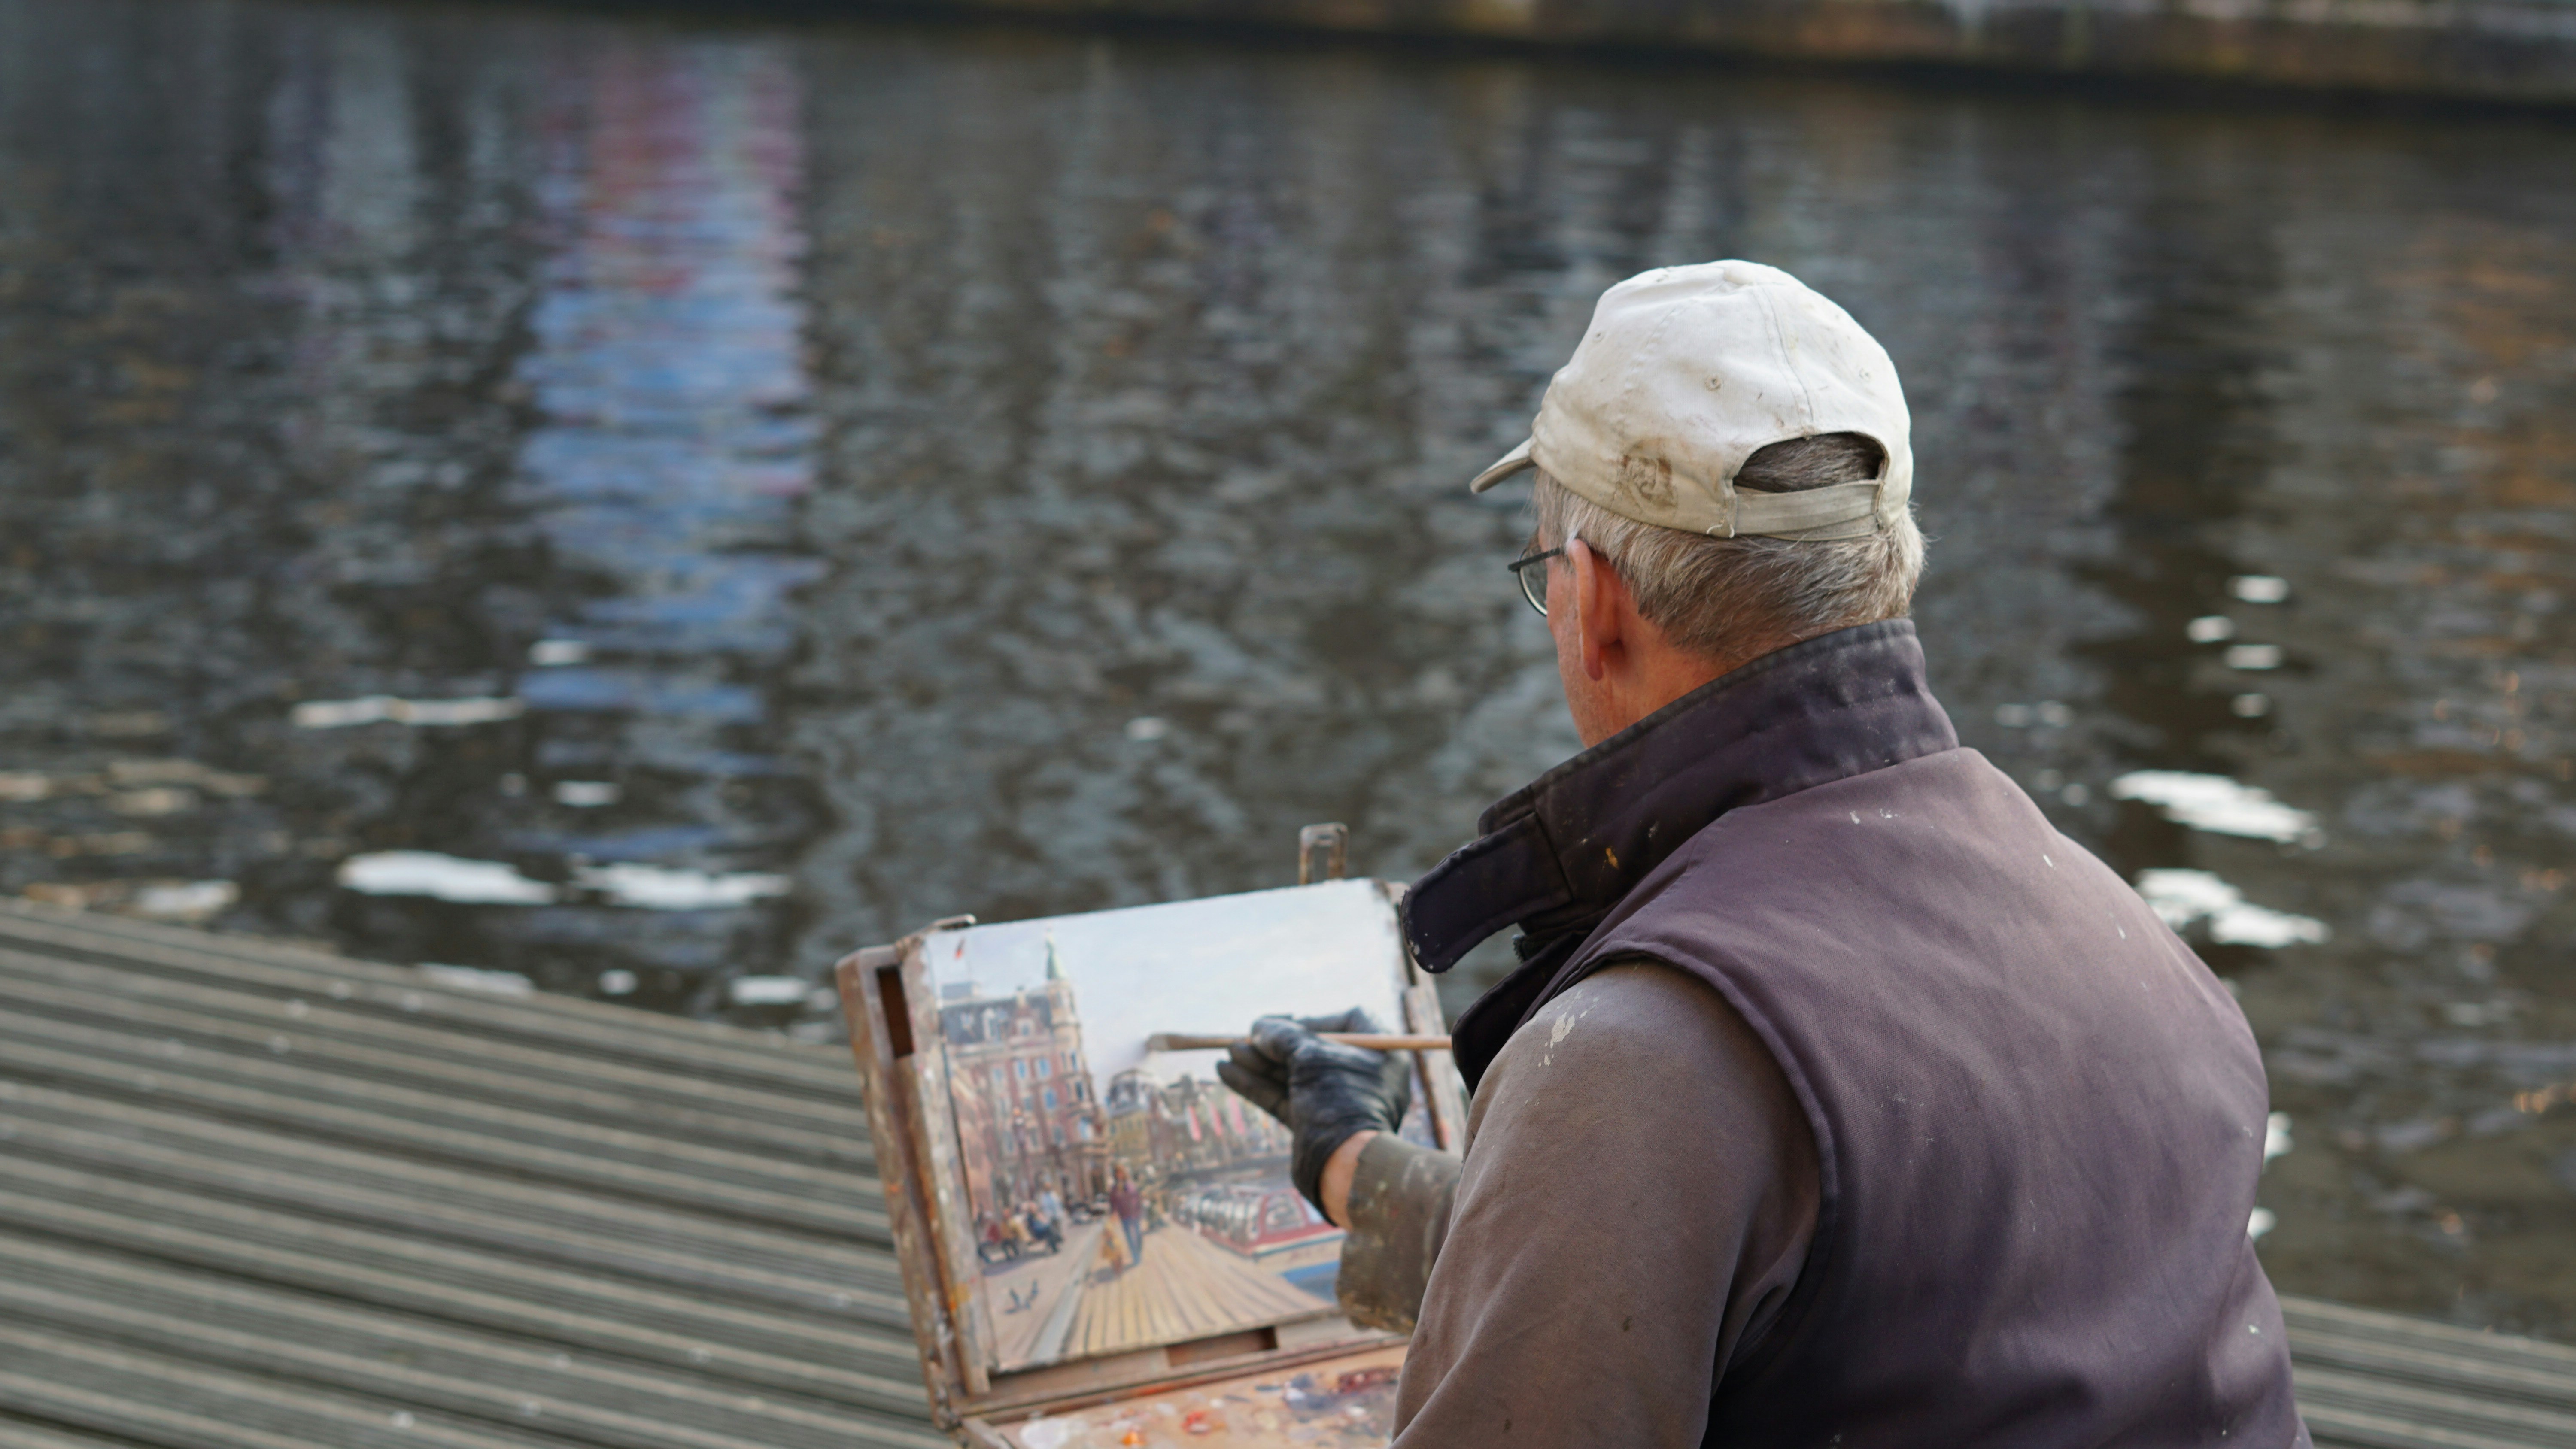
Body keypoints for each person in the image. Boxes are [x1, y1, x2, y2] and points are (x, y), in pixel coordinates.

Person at [1219, 261, 2309, 1446]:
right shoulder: (2121, 933)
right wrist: (1352, 1164)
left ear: (1592, 603)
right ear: (1886, 568)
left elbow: (1660, 1197)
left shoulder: (1644, 1048)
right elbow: (1742, 1272)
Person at [1108, 1165, 1146, 1270]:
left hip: (1135, 1214)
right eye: (1117, 1173)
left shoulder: (1131, 1185)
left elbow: (1137, 1197)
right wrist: (1114, 1214)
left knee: (1139, 1236)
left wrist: (1141, 1210)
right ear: (1115, 1175)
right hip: (1125, 1215)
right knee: (1130, 1238)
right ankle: (1136, 1258)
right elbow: (1113, 1203)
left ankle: (1138, 1254)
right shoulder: (1115, 1188)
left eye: (1121, 1173)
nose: (1120, 1175)